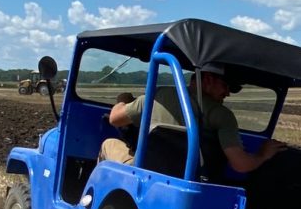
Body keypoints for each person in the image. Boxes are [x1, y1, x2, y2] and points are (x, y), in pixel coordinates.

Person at [98, 64, 286, 178]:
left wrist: (122, 100)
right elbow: (241, 164)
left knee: (109, 143)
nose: (227, 93)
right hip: (194, 179)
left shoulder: (159, 96)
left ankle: (92, 203)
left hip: (144, 174)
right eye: (226, 86)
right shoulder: (222, 116)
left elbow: (115, 119)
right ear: (207, 79)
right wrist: (262, 155)